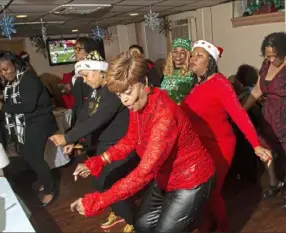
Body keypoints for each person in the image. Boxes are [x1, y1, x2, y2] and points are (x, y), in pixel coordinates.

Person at [70, 52, 216, 233]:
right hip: (164, 176)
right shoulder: (138, 104)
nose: (124, 100)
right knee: (142, 225)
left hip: (190, 179)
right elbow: (131, 140)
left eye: (128, 92)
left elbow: (144, 171)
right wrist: (98, 161)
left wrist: (97, 201)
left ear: (145, 83)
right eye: (119, 95)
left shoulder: (164, 116)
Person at [181, 40, 272, 232]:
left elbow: (239, 115)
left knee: (211, 191)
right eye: (193, 54)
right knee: (202, 191)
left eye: (200, 55)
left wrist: (256, 144)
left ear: (211, 62)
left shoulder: (220, 83)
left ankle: (223, 228)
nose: (193, 58)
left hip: (219, 145)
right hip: (201, 146)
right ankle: (208, 223)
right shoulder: (197, 84)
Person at [49, 50, 139, 232]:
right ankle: (119, 212)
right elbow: (84, 116)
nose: (85, 80)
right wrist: (73, 140)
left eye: (86, 75)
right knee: (100, 184)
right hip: (104, 146)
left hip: (120, 147)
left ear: (100, 72)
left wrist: (67, 137)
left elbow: (98, 119)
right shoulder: (96, 92)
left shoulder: (113, 91)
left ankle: (133, 221)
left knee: (110, 184)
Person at [243, 32, 286, 208]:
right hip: (270, 114)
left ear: (285, 51)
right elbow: (258, 90)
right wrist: (241, 110)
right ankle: (274, 182)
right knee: (265, 148)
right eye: (268, 56)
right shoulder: (266, 64)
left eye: (275, 56)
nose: (271, 59)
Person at [0, 51, 58, 206]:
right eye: (1, 70)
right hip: (25, 124)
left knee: (35, 157)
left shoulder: (29, 78)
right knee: (26, 154)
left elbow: (28, 106)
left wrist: (2, 106)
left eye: (6, 69)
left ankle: (50, 190)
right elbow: (13, 98)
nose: (4, 73)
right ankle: (43, 179)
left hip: (38, 122)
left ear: (15, 65)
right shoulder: (13, 81)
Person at [161, 38, 195, 104]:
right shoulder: (167, 73)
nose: (178, 55)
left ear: (187, 55)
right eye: (175, 52)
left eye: (182, 52)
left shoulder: (192, 73)